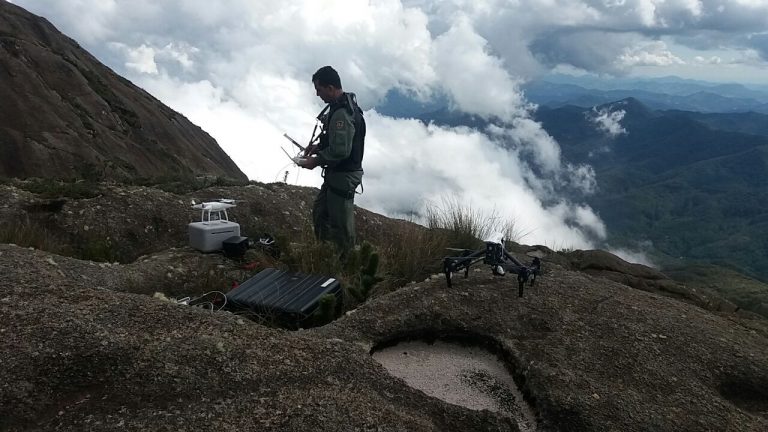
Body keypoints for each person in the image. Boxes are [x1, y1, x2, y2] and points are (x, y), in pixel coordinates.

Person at [298, 66, 365, 257]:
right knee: (321, 214)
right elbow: (339, 142)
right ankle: (327, 255)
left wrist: (316, 160)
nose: (318, 94)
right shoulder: (341, 108)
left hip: (344, 175)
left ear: (330, 87)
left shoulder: (342, 114)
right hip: (336, 174)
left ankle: (348, 266)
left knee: (341, 226)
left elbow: (341, 150)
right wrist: (318, 147)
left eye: (319, 89)